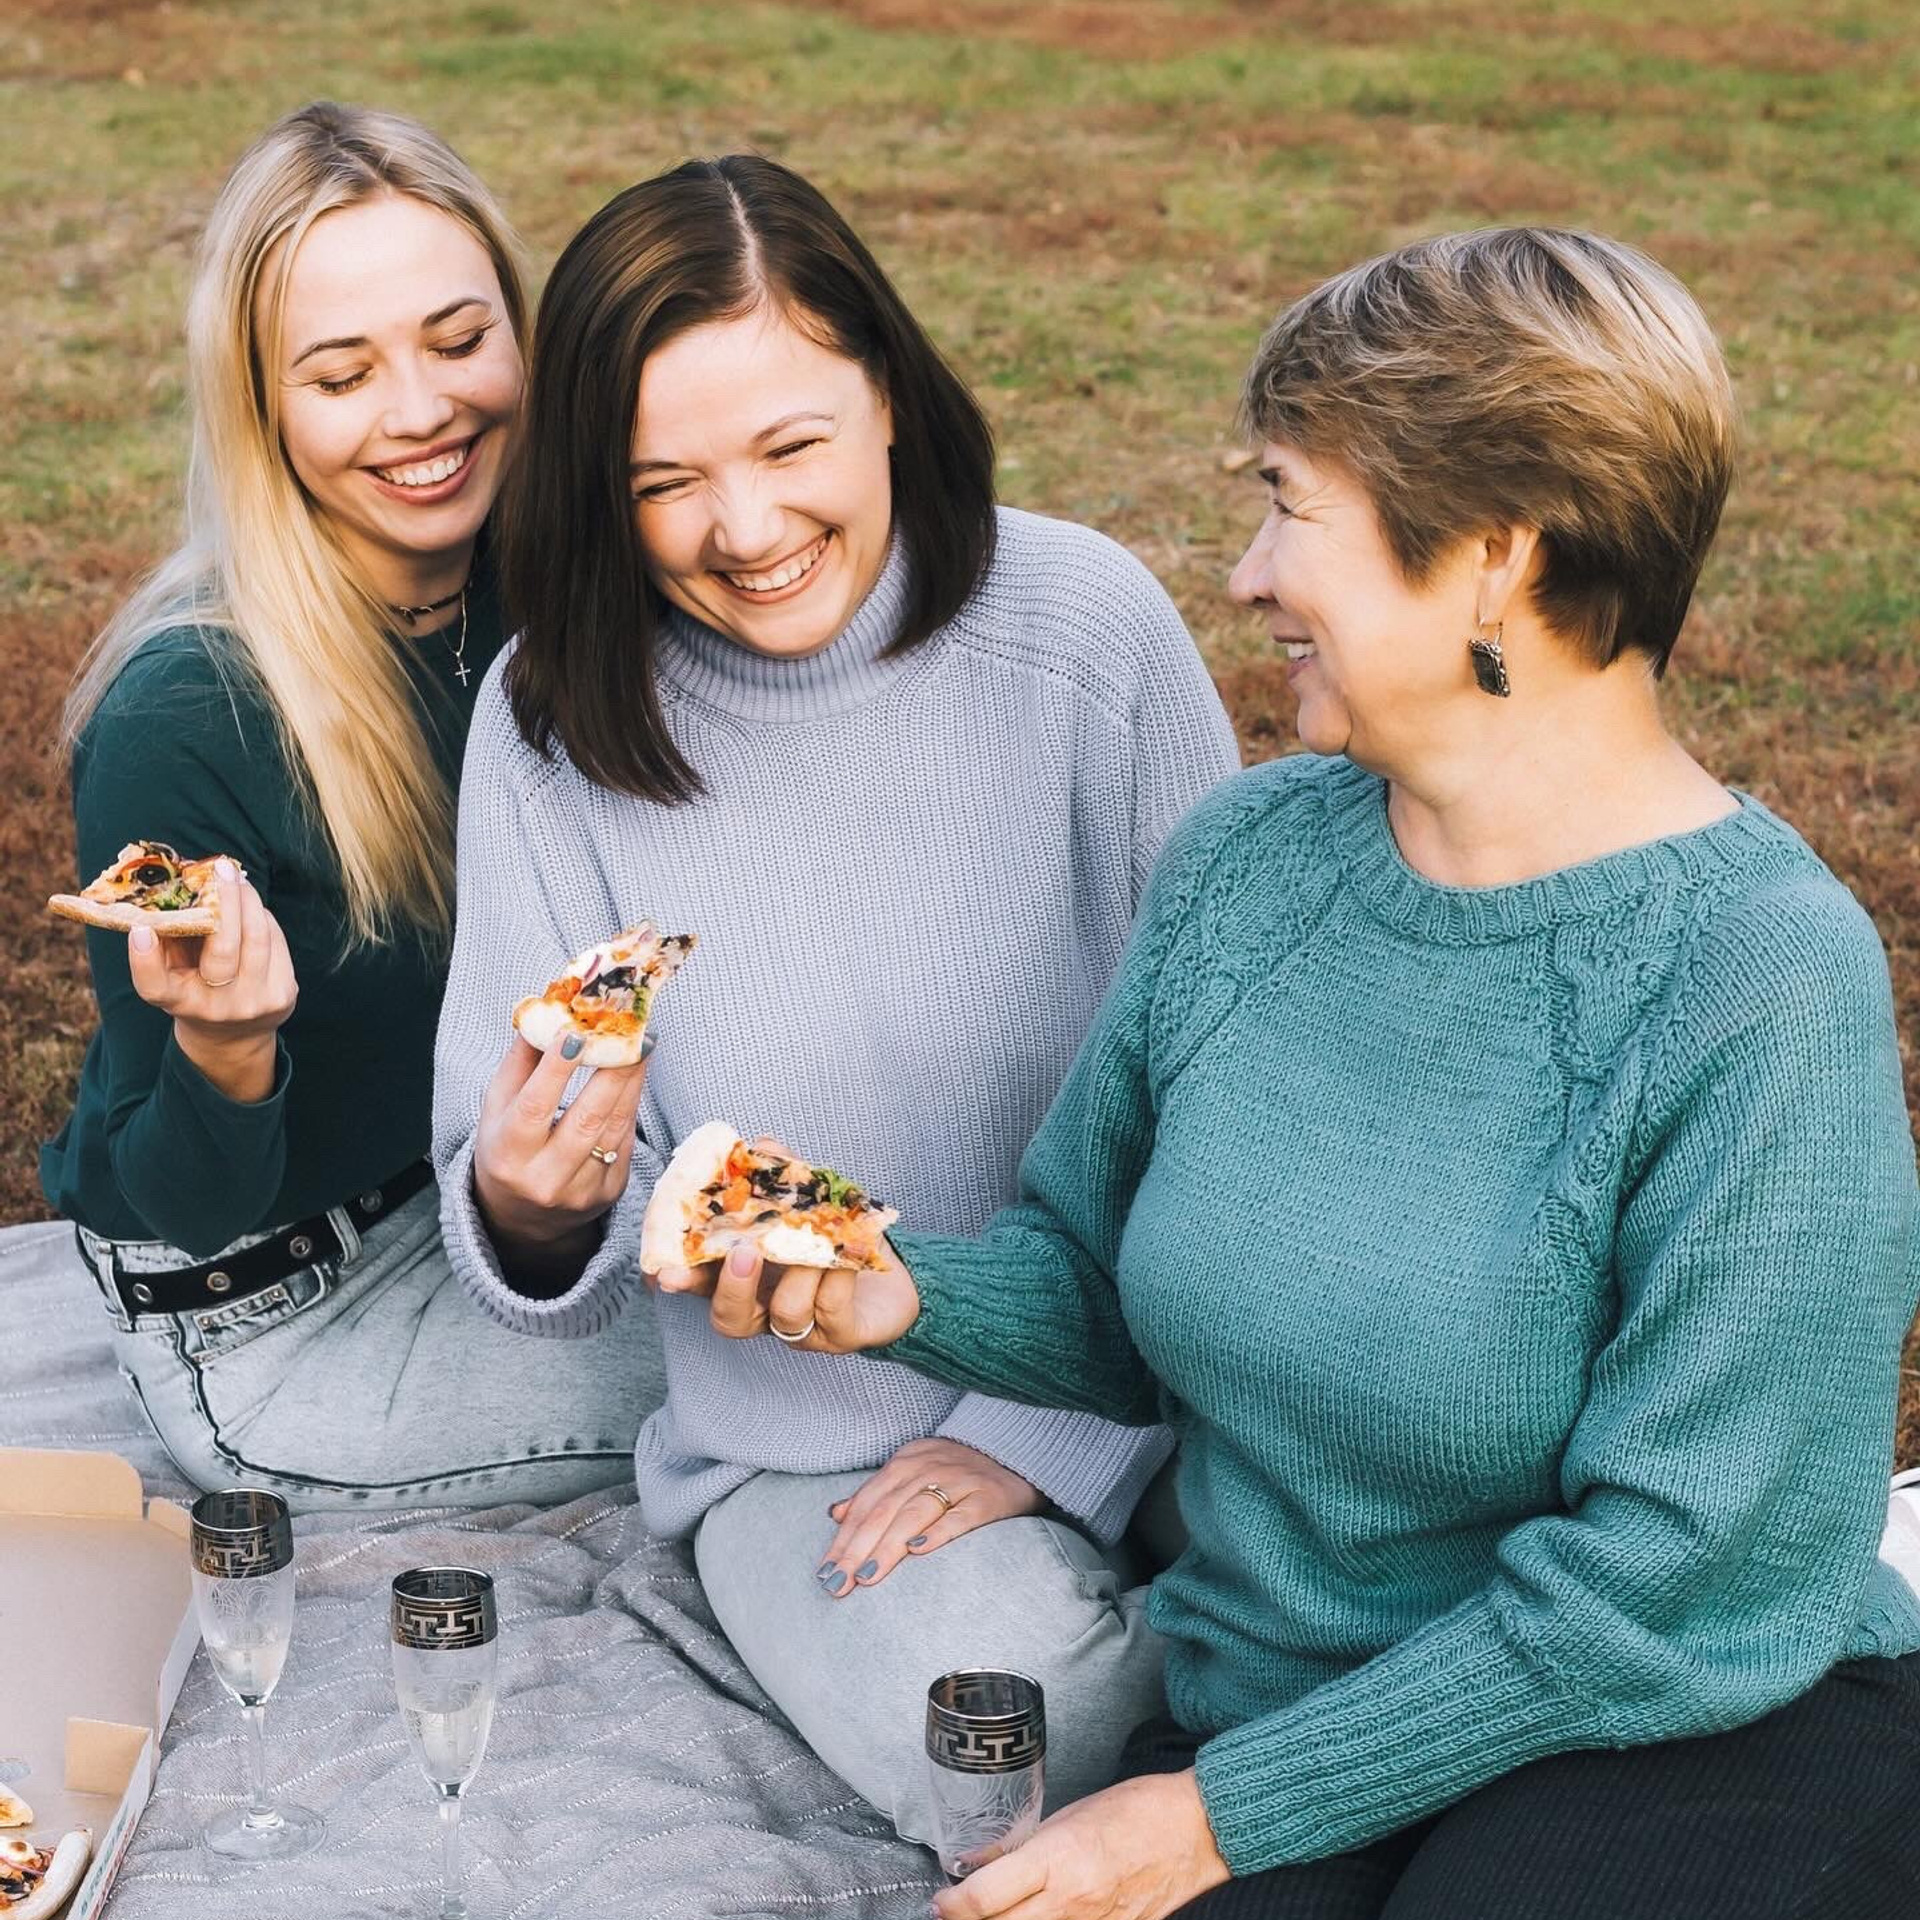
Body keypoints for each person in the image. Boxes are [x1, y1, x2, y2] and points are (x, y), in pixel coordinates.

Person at [716, 227, 1920, 1920]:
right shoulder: (1255, 863)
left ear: (1496, 556)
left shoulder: (1755, 977)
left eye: (1290, 501)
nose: (1249, 572)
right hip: (1292, 1716)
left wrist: (1208, 1818)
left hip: (1678, 1724)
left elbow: (1678, 1584)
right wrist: (891, 1289)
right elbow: (1106, 1284)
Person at [430, 154, 1241, 1838]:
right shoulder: (547, 720)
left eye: (792, 448)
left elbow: (1239, 1090)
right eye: (666, 482)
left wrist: (1054, 1440)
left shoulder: (1088, 631)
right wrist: (528, 1202)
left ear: (891, 396)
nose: (747, 531)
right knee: (1032, 1719)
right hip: (822, 1457)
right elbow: (544, 1252)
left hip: (1175, 1380)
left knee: (1400, 1607)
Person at [40, 101, 663, 1510]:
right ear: (263, 407)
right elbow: (181, 1198)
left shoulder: (548, 583)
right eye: (342, 373)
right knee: (803, 1371)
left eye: (457, 340)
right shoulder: (190, 718)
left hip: (492, 1208)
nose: (421, 411)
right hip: (278, 1308)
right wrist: (228, 1048)